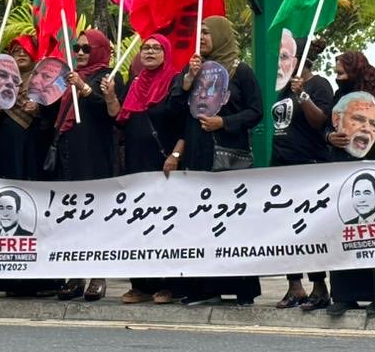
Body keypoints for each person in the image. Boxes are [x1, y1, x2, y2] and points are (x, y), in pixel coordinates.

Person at [169, 16, 263, 306]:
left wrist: (225, 122)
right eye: (199, 33)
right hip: (197, 155)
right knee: (200, 224)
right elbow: (175, 112)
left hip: (228, 157)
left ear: (221, 35)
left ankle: (242, 289)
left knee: (232, 223)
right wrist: (187, 81)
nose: (201, 38)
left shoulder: (240, 71)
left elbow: (256, 111)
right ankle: (203, 287)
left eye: (207, 33)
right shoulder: (194, 69)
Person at [327, 52, 375, 319]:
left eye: (341, 72)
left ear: (357, 70)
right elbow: (325, 127)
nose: (338, 77)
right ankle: (344, 296)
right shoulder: (340, 97)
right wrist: (330, 137)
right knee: (346, 234)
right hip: (344, 175)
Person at [55, 29, 124, 301]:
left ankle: (97, 275)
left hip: (94, 157)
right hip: (70, 156)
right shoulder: (70, 77)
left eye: (87, 48)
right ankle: (75, 275)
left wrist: (83, 88)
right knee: (71, 218)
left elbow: (110, 111)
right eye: (77, 48)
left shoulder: (109, 76)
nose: (81, 53)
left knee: (95, 216)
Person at [271, 29, 336, 312]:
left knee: (310, 230)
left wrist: (303, 95)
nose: (281, 63)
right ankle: (294, 285)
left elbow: (320, 121)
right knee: (287, 230)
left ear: (300, 60)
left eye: (286, 57)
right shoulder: (283, 88)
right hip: (282, 166)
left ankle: (320, 287)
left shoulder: (319, 85)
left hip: (309, 166)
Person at [117, 34, 182, 305]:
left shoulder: (174, 82)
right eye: (146, 48)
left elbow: (184, 124)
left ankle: (169, 285)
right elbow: (119, 119)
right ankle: (141, 285)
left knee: (165, 226)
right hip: (136, 165)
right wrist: (108, 96)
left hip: (164, 165)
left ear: (166, 53)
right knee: (139, 225)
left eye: (157, 48)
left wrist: (176, 154)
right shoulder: (134, 84)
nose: (150, 52)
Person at [0, 36, 49, 181]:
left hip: (35, 145)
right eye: (16, 51)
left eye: (26, 50)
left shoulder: (45, 80)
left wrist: (38, 109)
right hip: (7, 145)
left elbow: (55, 114)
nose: (21, 54)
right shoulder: (0, 82)